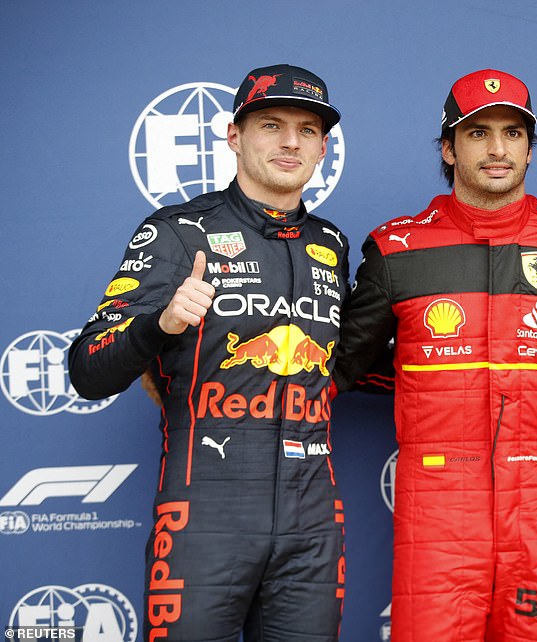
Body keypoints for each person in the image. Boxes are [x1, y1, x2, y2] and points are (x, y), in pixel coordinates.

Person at [333, 69, 537, 642]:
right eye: (478, 133)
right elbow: (336, 368)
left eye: (513, 132)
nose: (498, 148)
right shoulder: (396, 250)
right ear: (448, 149)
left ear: (531, 147)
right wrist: (192, 369)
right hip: (436, 512)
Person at [68, 64, 349, 642]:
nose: (290, 141)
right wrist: (162, 324)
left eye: (307, 129)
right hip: (206, 513)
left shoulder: (332, 243)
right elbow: (87, 370)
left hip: (314, 516)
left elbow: (347, 364)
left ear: (323, 147)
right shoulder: (177, 232)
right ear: (234, 136)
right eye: (271, 124)